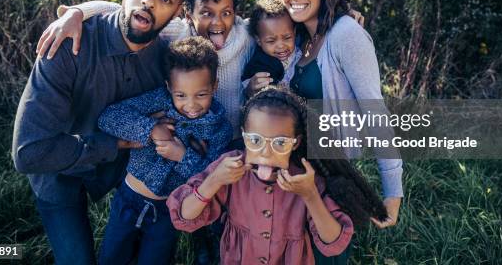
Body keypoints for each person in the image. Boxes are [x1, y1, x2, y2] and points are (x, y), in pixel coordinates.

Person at [11, 0, 192, 265]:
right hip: (58, 173)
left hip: (123, 171)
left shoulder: (166, 59)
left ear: (177, 12)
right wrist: (117, 142)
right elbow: (28, 153)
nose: (149, 1)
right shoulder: (67, 43)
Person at [166, 86, 388, 265]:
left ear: (296, 143)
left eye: (280, 143)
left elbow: (333, 243)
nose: (265, 152)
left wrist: (310, 195)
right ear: (243, 136)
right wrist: (214, 181)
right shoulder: (229, 169)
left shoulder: (306, 180)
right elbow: (184, 218)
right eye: (255, 140)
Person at [272, 0, 403, 237]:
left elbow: (375, 112)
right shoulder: (297, 37)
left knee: (328, 250)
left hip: (332, 174)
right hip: (295, 171)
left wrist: (393, 192)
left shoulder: (346, 34)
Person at [40, 0, 255, 132]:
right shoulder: (178, 33)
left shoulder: (245, 36)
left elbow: (277, 25)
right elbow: (121, 10)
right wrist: (76, 13)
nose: (218, 22)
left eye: (226, 13)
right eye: (207, 13)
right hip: (187, 137)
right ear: (188, 15)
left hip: (233, 137)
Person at [97, 36, 232, 265]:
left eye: (201, 94)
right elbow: (108, 117)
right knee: (111, 257)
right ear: (169, 87)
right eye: (181, 95)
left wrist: (183, 156)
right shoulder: (159, 100)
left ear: (214, 86)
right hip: (129, 198)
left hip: (169, 210)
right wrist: (151, 129)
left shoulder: (220, 129)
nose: (191, 105)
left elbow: (212, 179)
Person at [242, 0, 301, 95]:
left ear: (294, 32)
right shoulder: (259, 64)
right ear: (258, 40)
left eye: (287, 38)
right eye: (271, 41)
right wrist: (250, 90)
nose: (281, 46)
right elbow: (248, 88)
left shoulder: (301, 54)